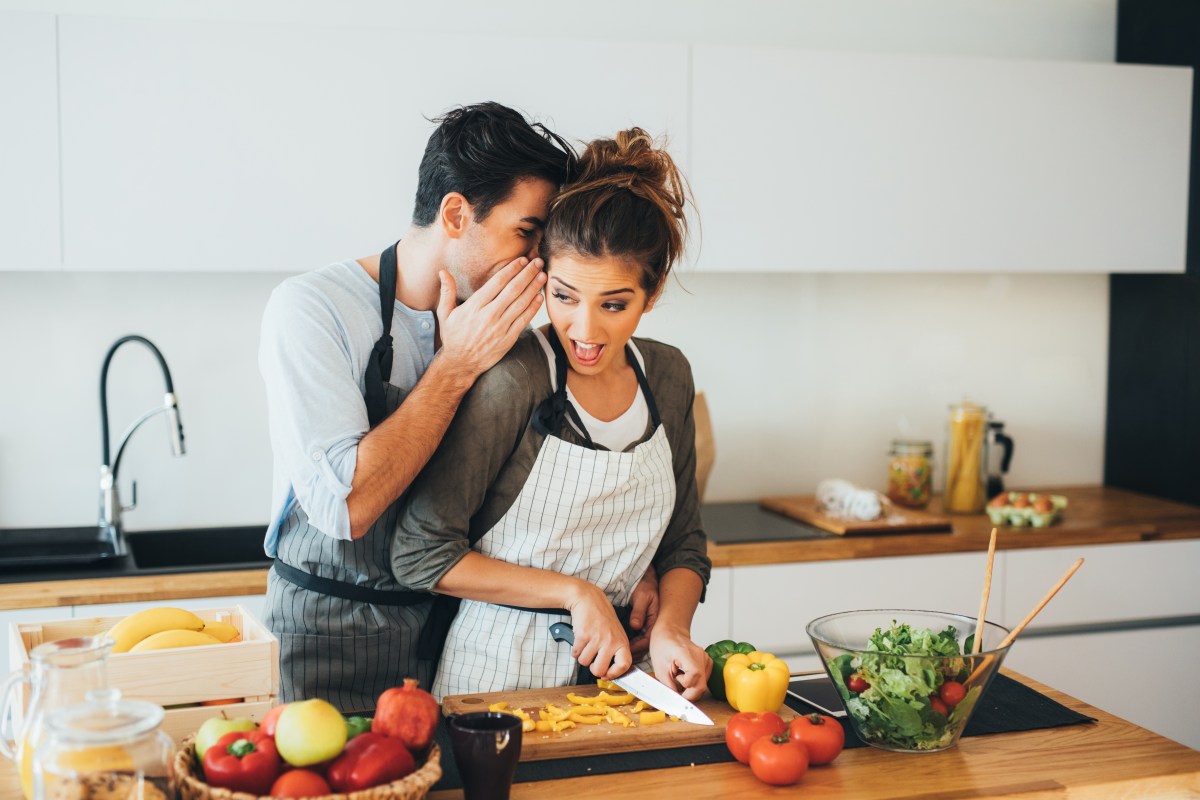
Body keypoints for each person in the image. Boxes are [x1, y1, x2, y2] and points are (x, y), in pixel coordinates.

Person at [258, 102, 593, 711]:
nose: (537, 264)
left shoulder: (502, 337)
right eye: (526, 232)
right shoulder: (311, 309)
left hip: (449, 645)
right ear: (457, 213)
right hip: (325, 645)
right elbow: (345, 506)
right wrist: (456, 366)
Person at [391, 128, 713, 701]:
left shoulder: (668, 376)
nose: (585, 332)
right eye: (563, 296)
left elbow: (684, 543)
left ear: (653, 291)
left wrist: (671, 628)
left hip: (622, 687)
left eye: (614, 304)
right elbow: (420, 554)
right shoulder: (513, 377)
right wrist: (576, 593)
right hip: (491, 688)